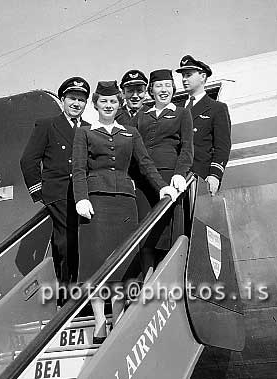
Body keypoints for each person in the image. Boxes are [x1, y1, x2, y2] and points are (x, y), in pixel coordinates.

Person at [72, 80, 177, 343]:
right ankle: (99, 322)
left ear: (118, 104)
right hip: (95, 202)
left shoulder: (130, 133)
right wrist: (81, 198)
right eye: (104, 101)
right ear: (96, 104)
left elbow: (145, 163)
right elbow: (78, 170)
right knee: (96, 262)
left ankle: (117, 318)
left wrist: (162, 187)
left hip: (124, 203)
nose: (109, 105)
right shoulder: (84, 133)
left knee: (123, 264)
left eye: (113, 102)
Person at [20, 77, 91, 305]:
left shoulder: (90, 129)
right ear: (62, 100)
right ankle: (66, 299)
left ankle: (80, 294)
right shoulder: (48, 125)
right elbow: (28, 160)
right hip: (59, 194)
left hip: (83, 195)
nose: (76, 103)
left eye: (81, 99)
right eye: (72, 98)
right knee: (65, 243)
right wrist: (40, 192)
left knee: (82, 242)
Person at [130, 69, 193, 279]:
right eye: (158, 86)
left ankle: (168, 277)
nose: (163, 90)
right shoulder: (141, 116)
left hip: (169, 178)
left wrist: (180, 173)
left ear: (173, 89)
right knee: (146, 231)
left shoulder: (182, 113)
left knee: (168, 230)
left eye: (167, 85)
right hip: (143, 179)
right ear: (151, 90)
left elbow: (187, 148)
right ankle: (148, 278)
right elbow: (129, 148)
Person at [176, 55, 231, 195]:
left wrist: (215, 175)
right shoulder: (176, 108)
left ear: (202, 76)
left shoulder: (217, 108)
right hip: (176, 177)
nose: (184, 79)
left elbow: (222, 146)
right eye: (183, 76)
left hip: (198, 177)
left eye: (188, 75)